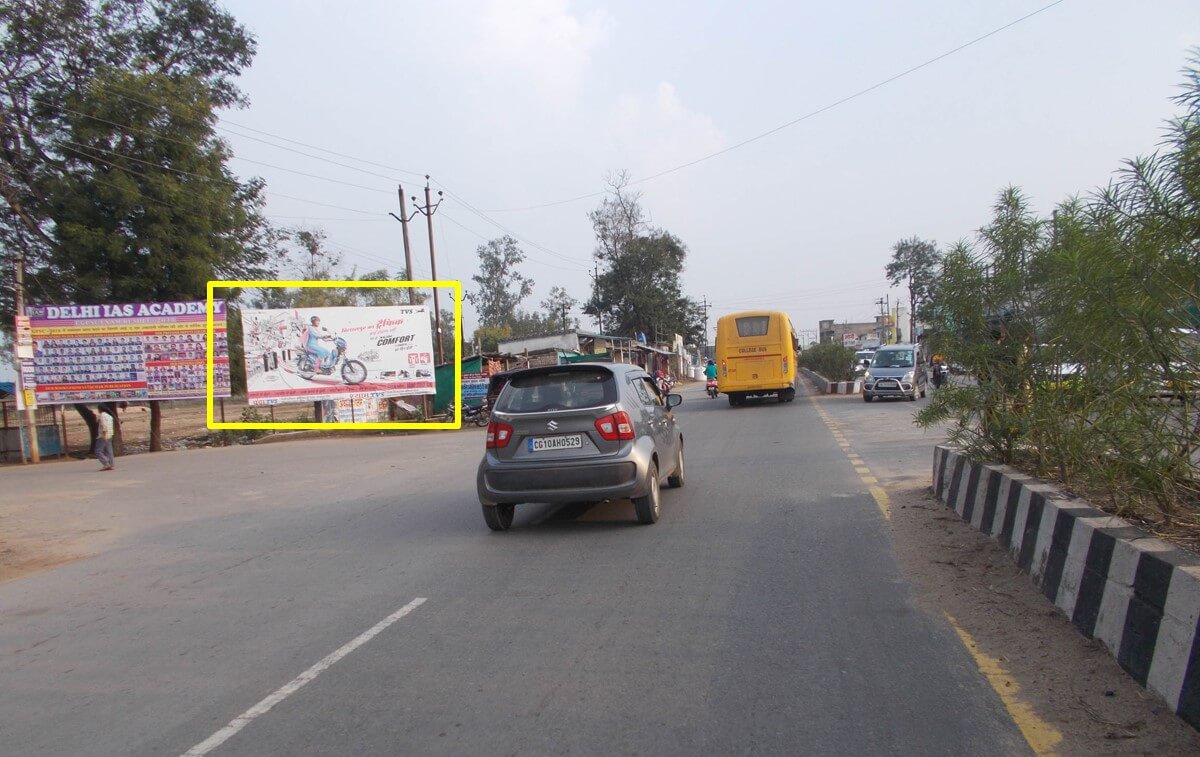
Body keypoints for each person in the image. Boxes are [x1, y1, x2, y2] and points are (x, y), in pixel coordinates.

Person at [95, 406, 115, 471]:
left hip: (103, 435)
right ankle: (111, 464)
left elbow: (104, 426)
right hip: (110, 434)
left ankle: (106, 463)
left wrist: (104, 435)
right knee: (109, 450)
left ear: (100, 409)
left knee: (98, 451)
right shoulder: (109, 416)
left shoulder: (102, 415)